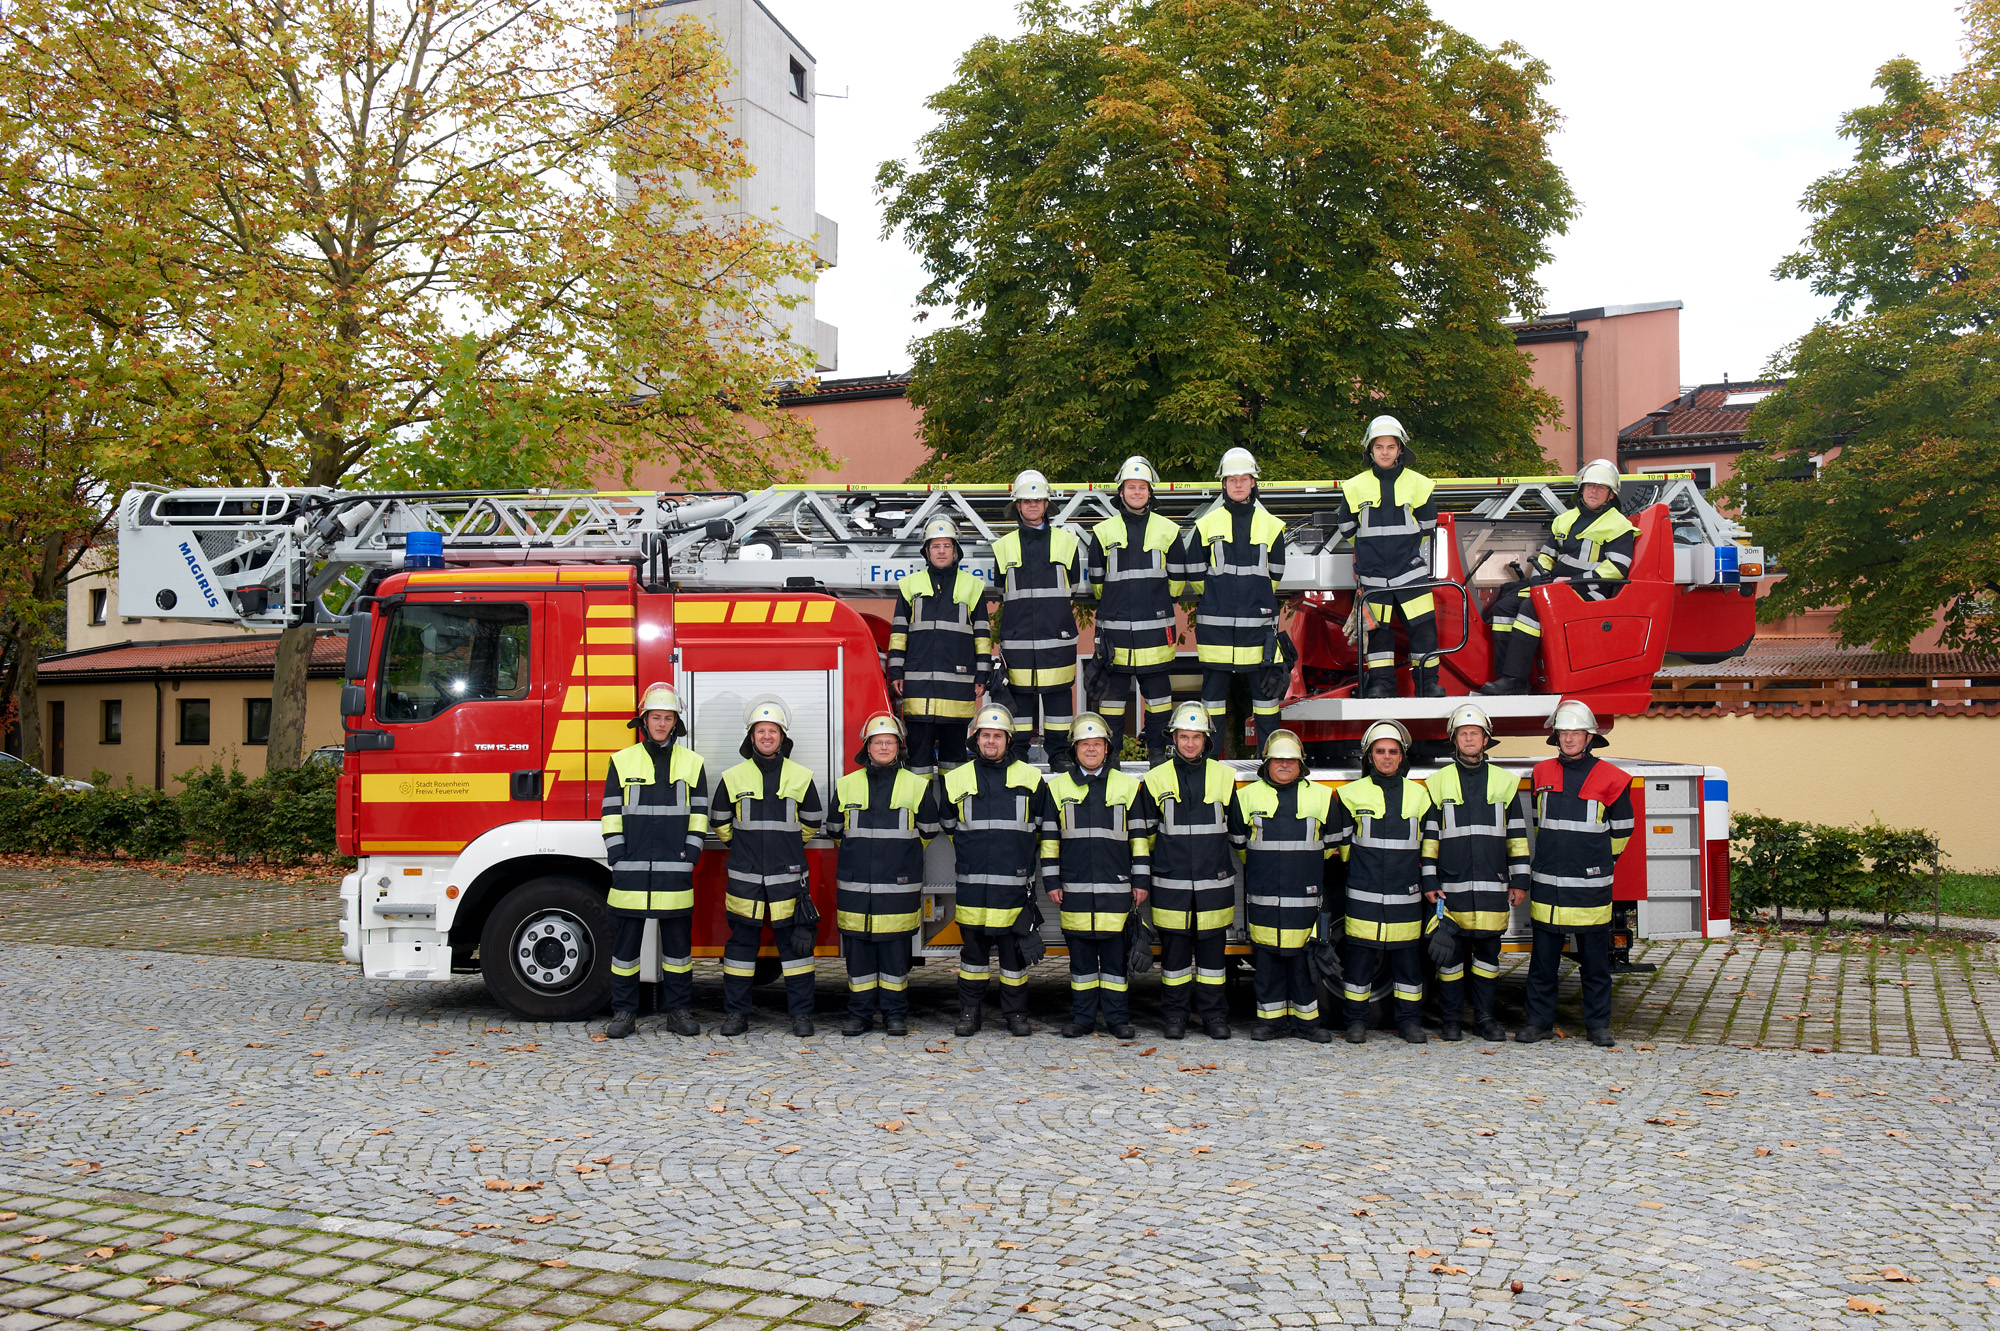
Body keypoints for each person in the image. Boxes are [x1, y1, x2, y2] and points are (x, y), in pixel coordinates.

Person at [1516, 699, 1636, 1047]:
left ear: (1589, 737)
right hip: (1548, 887)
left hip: (1590, 887)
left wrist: (1599, 863)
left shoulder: (1613, 778)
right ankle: (1538, 1023)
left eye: (1576, 733)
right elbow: (1539, 823)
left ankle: (1598, 1026)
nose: (1569, 739)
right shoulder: (1541, 772)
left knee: (1595, 965)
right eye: (1563, 733)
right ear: (1556, 737)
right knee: (1542, 965)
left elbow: (1622, 830)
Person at [598, 681, 708, 1040]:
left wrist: (690, 855)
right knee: (625, 952)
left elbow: (700, 815)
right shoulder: (621, 761)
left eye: (668, 718)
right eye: (656, 717)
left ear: (676, 723)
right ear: (644, 721)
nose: (661, 724)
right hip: (629, 871)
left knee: (678, 952)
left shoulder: (692, 763)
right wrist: (618, 855)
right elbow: (611, 814)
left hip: (675, 870)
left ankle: (678, 1012)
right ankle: (624, 1013)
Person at [942, 702, 1058, 1038]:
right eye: (985, 735)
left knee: (1014, 958)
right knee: (972, 958)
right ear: (976, 739)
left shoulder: (1031, 778)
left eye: (997, 735)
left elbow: (1042, 829)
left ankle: (1016, 1014)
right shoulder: (956, 779)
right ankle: (969, 1012)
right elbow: (950, 826)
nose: (991, 741)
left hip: (1014, 886)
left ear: (1008, 740)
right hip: (973, 886)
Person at [710, 698, 824, 1038]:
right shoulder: (733, 777)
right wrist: (742, 849)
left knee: (796, 950)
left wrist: (787, 848)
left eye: (772, 731)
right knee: (741, 949)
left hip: (788, 877)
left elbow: (812, 821)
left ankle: (801, 1016)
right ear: (751, 737)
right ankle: (736, 1015)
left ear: (782, 737)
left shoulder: (800, 776)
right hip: (745, 879)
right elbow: (719, 821)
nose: (766, 736)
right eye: (761, 731)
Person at [1480, 458, 1639, 696]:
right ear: (1581, 489)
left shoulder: (1619, 525)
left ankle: (1516, 679)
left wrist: (1572, 582)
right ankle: (1506, 677)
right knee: (1504, 608)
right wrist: (1537, 581)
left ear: (1610, 495)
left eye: (1601, 487)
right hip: (1556, 589)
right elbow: (1546, 556)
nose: (1594, 491)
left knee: (1530, 608)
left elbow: (1616, 568)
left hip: (1590, 592)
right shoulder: (1564, 520)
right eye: (1590, 486)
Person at [826, 711, 940, 1038]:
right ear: (867, 747)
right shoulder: (846, 785)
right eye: (878, 742)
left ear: (899, 747)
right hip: (856, 888)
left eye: (890, 742)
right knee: (858, 957)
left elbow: (928, 831)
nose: (884, 747)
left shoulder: (916, 785)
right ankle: (859, 1015)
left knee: (895, 958)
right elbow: (835, 830)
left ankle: (895, 1015)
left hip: (897, 888)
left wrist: (899, 858)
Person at [1421, 702, 1529, 1042]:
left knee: (1487, 959)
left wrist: (1520, 880)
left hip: (1492, 887)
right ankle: (1452, 1021)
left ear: (1485, 739)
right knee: (1449, 960)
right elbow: (1429, 838)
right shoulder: (1437, 783)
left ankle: (1485, 1019)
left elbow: (1516, 836)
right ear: (1454, 740)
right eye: (1463, 734)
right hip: (1450, 889)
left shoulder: (1504, 782)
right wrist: (1429, 879)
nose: (1469, 738)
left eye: (1475, 733)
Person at [1044, 711, 1156, 1039]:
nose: (1091, 749)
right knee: (1080, 964)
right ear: (1074, 749)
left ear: (1107, 749)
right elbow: (1049, 839)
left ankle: (1117, 1019)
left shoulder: (1128, 787)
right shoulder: (1057, 788)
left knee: (1114, 963)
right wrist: (1051, 881)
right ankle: (1083, 1019)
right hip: (1074, 888)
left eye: (1097, 744)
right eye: (1084, 744)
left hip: (1116, 887)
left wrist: (1140, 880)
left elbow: (1139, 839)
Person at [1143, 701, 1246, 1040]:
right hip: (1171, 884)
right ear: (1173, 738)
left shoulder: (1225, 777)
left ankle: (1214, 1017)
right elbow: (1144, 836)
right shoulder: (1155, 779)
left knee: (1213, 961)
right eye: (1184, 736)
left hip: (1212, 883)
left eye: (1196, 737)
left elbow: (1237, 834)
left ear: (1206, 740)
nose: (1190, 743)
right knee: (1173, 961)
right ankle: (1174, 1017)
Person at [1177, 447, 1291, 749]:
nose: (1238, 484)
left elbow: (1275, 574)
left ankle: (1270, 758)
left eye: (1243, 479)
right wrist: (1217, 598)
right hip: (1216, 630)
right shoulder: (1206, 525)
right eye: (1232, 479)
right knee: (1212, 704)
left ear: (1253, 482)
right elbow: (1195, 572)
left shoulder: (1272, 525)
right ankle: (1208, 762)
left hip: (1257, 630)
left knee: (1266, 702)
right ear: (1224, 484)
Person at [1331, 718, 1435, 1044]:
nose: (1386, 757)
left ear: (1402, 756)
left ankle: (1410, 1023)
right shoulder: (1349, 795)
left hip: (1406, 895)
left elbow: (1429, 847)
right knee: (1358, 966)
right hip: (1364, 894)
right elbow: (1341, 847)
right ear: (1369, 756)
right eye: (1380, 751)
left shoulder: (1420, 796)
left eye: (1392, 751)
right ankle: (1355, 1023)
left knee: (1408, 967)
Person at [1232, 728, 1337, 1043]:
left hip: (1304, 898)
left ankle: (1308, 1025)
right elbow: (1238, 841)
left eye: (1290, 761)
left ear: (1301, 764)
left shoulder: (1322, 796)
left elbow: (1333, 842)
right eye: (1278, 760)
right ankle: (1270, 1023)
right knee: (1266, 963)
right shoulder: (1245, 797)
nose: (1284, 765)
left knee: (1304, 963)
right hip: (1264, 896)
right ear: (1266, 763)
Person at [1336, 415, 1444, 699]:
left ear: (1400, 450)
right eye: (1379, 447)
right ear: (1370, 451)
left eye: (1390, 446)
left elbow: (1428, 525)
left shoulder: (1419, 483)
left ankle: (1428, 686)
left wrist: (1400, 551)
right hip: (1373, 575)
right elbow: (1346, 527)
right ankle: (1382, 686)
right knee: (1378, 634)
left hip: (1410, 572)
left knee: (1424, 630)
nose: (1384, 452)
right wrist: (1371, 553)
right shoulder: (1354, 486)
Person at [1086, 456, 1184, 765]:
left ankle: (1157, 753)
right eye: (1131, 487)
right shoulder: (1102, 532)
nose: (1137, 492)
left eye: (1142, 487)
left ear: (1150, 492)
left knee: (1159, 703)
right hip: (1115, 638)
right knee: (1111, 704)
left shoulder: (1169, 530)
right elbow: (1097, 583)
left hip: (1155, 636)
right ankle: (1111, 757)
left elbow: (1177, 583)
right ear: (1121, 492)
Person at [992, 469, 1085, 770]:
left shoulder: (1067, 542)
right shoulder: (1002, 547)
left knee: (1059, 699)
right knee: (1018, 700)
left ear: (1047, 505)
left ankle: (1059, 755)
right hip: (1018, 639)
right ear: (1017, 506)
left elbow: (1071, 587)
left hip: (1056, 637)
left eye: (1038, 500)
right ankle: (1018, 753)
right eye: (1026, 501)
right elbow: (1002, 589)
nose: (1032, 505)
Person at [888, 516, 992, 777]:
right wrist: (896, 672)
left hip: (957, 691)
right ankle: (920, 804)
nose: (942, 551)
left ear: (956, 551)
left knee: (954, 763)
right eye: (936, 546)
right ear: (926, 551)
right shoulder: (910, 585)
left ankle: (952, 805)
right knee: (918, 763)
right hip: (918, 690)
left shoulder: (973, 586)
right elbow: (899, 633)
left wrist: (982, 675)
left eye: (947, 545)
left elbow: (982, 635)